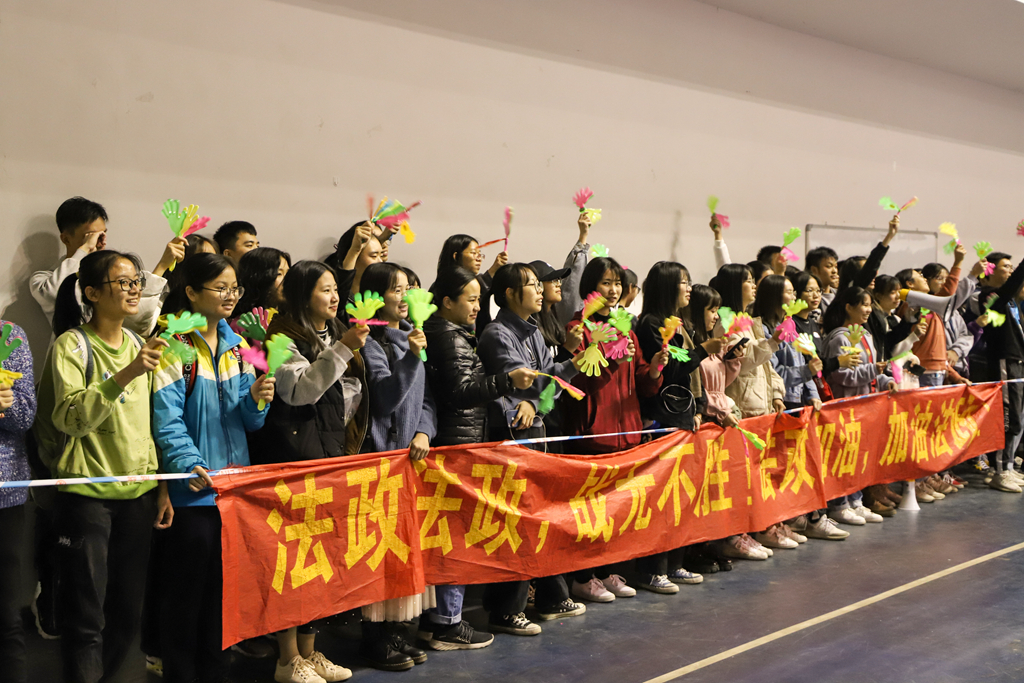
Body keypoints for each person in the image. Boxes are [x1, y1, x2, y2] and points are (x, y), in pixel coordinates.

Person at [35, 249, 174, 683]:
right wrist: (126, 374)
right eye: (123, 282)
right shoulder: (72, 346)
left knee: (127, 614)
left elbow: (148, 425)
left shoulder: (136, 343)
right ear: (92, 293)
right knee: (86, 616)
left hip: (138, 496)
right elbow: (69, 418)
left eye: (136, 282)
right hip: (86, 497)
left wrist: (161, 485)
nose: (133, 290)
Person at [152, 253, 275, 683]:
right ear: (190, 292)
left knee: (225, 596)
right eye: (220, 288)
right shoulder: (174, 345)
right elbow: (166, 419)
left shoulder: (239, 347)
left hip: (233, 492)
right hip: (193, 493)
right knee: (186, 598)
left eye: (234, 288)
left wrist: (256, 399)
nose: (230, 295)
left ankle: (216, 672)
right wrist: (189, 463)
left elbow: (249, 422)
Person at [254, 259, 369, 683]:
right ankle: (287, 659)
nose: (334, 296)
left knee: (320, 561)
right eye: (325, 289)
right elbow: (300, 391)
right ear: (303, 295)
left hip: (328, 458)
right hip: (293, 462)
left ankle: (310, 651)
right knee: (292, 563)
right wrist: (343, 350)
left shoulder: (335, 333)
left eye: (336, 288)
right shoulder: (281, 338)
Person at [421, 265, 534, 650]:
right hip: (457, 445)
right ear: (447, 301)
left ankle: (440, 620)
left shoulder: (450, 333)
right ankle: (447, 624)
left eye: (478, 299)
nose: (476, 307)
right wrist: (506, 381)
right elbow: (460, 392)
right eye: (470, 300)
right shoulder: (449, 338)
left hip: (459, 441)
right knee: (455, 536)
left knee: (450, 535)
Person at [477, 263, 586, 633]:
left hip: (535, 433)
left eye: (541, 285)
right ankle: (505, 609)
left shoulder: (534, 330)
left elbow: (547, 387)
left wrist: (570, 368)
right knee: (515, 521)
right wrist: (558, 377)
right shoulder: (496, 334)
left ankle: (550, 597)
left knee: (538, 517)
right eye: (533, 285)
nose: (540, 291)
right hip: (508, 436)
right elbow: (530, 381)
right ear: (509, 293)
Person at [563, 257, 667, 599]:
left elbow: (641, 382)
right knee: (590, 513)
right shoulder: (578, 328)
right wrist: (610, 361)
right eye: (606, 283)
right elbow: (577, 384)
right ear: (590, 287)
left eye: (618, 283)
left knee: (616, 511)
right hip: (593, 435)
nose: (613, 290)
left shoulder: (625, 327)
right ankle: (583, 577)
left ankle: (607, 572)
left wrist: (654, 369)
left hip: (626, 435)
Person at [357, 262, 436, 671]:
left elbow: (427, 400)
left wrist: (424, 431)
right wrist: (412, 357)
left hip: (412, 461)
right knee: (380, 553)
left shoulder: (411, 336)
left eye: (408, 288)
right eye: (395, 289)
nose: (404, 297)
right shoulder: (370, 343)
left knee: (406, 550)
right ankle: (374, 639)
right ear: (376, 297)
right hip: (381, 463)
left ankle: (398, 631)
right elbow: (385, 399)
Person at [31, 196, 184, 336]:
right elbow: (56, 294)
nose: (101, 242)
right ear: (66, 239)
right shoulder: (42, 279)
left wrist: (163, 264)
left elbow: (136, 317)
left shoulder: (113, 273)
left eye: (103, 234)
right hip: (76, 349)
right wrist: (84, 250)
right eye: (91, 236)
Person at [822, 286, 896, 525]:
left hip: (866, 407)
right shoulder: (840, 338)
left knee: (859, 456)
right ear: (848, 307)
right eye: (863, 305)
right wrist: (874, 370)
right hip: (846, 408)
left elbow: (871, 372)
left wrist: (885, 380)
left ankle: (856, 501)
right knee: (843, 456)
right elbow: (841, 376)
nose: (868, 310)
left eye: (869, 305)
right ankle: (839, 505)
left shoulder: (866, 335)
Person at [0, 321, 35, 683]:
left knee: (7, 615)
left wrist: (6, 403)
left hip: (5, 495)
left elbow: (26, 416)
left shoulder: (9, 335)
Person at [324, 222, 382, 298]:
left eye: (381, 255)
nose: (380, 261)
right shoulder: (336, 295)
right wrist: (354, 250)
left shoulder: (380, 290)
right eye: (374, 256)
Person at [234, 247, 292, 320]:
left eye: (288, 273)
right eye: (279, 274)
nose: (288, 279)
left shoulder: (290, 318)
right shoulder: (244, 322)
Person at [806, 246, 839, 312]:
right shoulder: (811, 298)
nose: (834, 271)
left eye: (835, 267)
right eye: (829, 266)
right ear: (814, 270)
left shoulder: (840, 295)